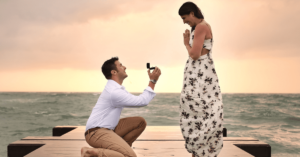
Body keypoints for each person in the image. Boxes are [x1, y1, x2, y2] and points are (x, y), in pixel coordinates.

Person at [81, 57, 161, 157]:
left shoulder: (116, 88)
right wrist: (152, 81)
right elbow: (142, 101)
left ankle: (119, 151)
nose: (124, 67)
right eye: (121, 65)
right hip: (96, 133)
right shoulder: (114, 92)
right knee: (130, 156)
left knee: (140, 122)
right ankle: (92, 153)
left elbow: (140, 100)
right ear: (114, 72)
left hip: (108, 129)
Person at [178, 2, 224, 157]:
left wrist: (186, 44)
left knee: (199, 107)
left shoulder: (201, 27)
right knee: (198, 108)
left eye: (184, 17)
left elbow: (195, 55)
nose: (184, 21)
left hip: (200, 74)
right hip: (201, 72)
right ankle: (200, 150)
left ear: (191, 13)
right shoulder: (199, 27)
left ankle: (202, 150)